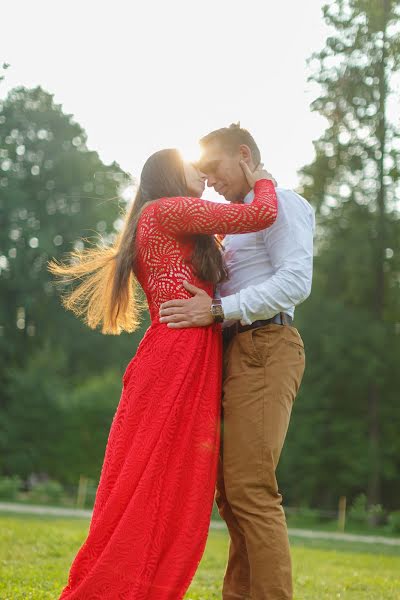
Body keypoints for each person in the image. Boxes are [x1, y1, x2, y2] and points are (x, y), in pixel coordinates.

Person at [48, 147, 278, 600]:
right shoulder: (165, 211)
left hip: (188, 353)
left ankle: (145, 583)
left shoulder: (168, 220)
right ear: (172, 176)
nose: (205, 173)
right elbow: (261, 215)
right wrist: (262, 178)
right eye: (195, 167)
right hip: (176, 356)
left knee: (173, 480)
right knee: (154, 477)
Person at [159, 125, 315, 600]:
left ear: (243, 155)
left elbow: (295, 283)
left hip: (267, 346)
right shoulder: (236, 220)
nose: (208, 179)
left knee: (251, 489)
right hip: (233, 353)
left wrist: (219, 310)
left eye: (213, 168)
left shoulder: (283, 203)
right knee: (231, 495)